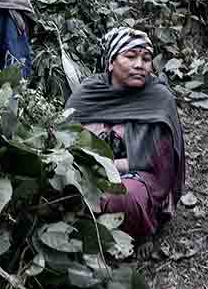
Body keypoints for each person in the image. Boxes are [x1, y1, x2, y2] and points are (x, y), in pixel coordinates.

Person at [66, 27, 185, 240]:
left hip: (139, 175)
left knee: (121, 197)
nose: (139, 65)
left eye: (146, 59)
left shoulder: (158, 98)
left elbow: (158, 162)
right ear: (111, 62)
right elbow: (66, 138)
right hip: (86, 170)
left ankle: (128, 234)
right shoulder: (88, 93)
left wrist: (106, 167)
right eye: (130, 57)